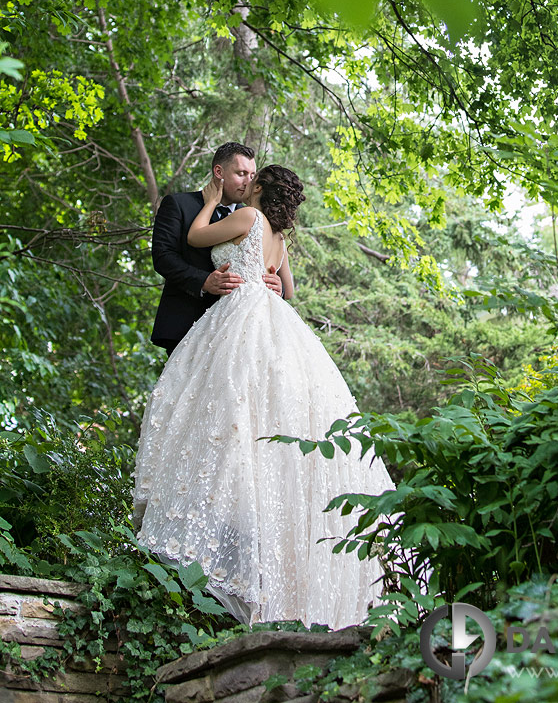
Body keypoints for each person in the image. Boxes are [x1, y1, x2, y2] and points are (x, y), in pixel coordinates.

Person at [132, 163, 396, 630]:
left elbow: (196, 239)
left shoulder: (248, 219)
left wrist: (212, 203)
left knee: (227, 403)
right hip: (275, 319)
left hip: (239, 316)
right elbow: (288, 290)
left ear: (257, 188)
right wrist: (271, 279)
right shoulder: (278, 234)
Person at [150, 142, 284, 356]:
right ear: (218, 172)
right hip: (186, 323)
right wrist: (203, 281)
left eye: (252, 175)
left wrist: (279, 287)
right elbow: (163, 257)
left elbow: (270, 265)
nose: (248, 182)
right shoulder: (179, 204)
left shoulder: (253, 217)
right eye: (241, 173)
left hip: (239, 332)